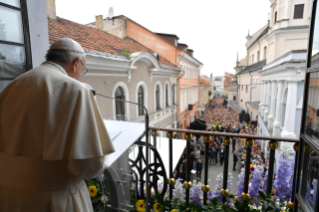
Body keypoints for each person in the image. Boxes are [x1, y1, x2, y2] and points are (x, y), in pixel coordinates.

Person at [0, 38, 115, 212]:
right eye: (83, 69)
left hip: (9, 197)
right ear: (76, 63)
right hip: (56, 199)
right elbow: (87, 166)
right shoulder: (77, 90)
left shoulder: (11, 87)